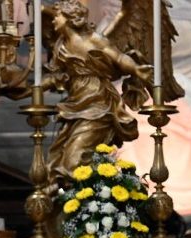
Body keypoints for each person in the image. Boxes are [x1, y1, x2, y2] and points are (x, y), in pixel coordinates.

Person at [43, 0, 153, 180]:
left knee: (75, 158)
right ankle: (81, 200)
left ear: (70, 18)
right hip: (76, 105)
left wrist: (136, 69)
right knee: (61, 157)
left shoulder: (94, 39)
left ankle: (83, 201)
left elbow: (119, 57)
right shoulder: (61, 44)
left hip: (98, 103)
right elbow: (60, 76)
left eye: (57, 16)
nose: (53, 20)